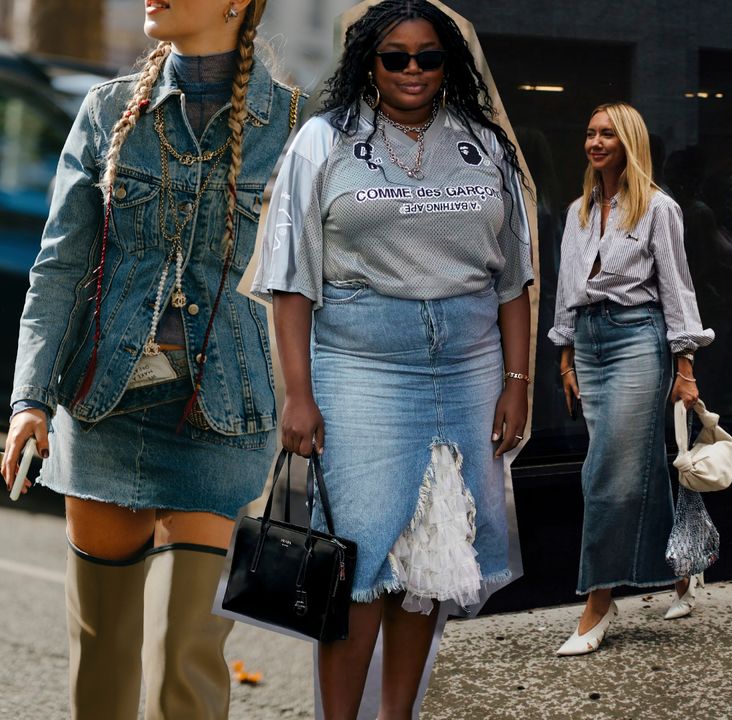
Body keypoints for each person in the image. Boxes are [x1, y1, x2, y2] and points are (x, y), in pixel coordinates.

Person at [1, 1, 299, 718]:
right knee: (100, 666)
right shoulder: (108, 113)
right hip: (105, 410)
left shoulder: (296, 128)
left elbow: (322, 285)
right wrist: (29, 399)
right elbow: (61, 268)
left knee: (183, 661)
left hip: (225, 420)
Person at [251, 1, 532, 717]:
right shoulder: (324, 141)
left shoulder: (483, 144)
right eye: (395, 57)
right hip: (361, 369)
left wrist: (517, 382)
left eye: (429, 57)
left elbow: (515, 278)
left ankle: (398, 715)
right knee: (359, 563)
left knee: (433, 558)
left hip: (469, 366)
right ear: (368, 63)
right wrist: (297, 395)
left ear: (450, 64)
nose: (413, 70)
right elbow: (289, 278)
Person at [549, 102, 713, 656]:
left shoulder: (658, 208)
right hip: (590, 345)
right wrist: (566, 357)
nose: (595, 143)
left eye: (608, 135)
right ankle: (685, 568)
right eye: (590, 133)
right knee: (631, 464)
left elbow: (678, 287)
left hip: (637, 338)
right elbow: (566, 286)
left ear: (629, 144)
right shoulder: (576, 211)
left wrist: (685, 366)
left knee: (605, 472)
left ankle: (598, 600)